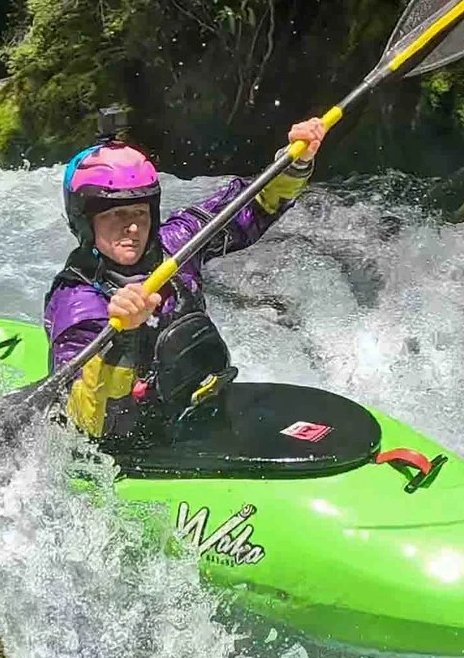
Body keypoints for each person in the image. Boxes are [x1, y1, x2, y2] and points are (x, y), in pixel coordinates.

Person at [45, 116, 329, 444]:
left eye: (139, 212)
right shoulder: (76, 301)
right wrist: (123, 337)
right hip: (129, 442)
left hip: (194, 404)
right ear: (85, 221)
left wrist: (295, 161)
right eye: (115, 214)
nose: (133, 227)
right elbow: (86, 420)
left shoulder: (175, 245)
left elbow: (254, 204)